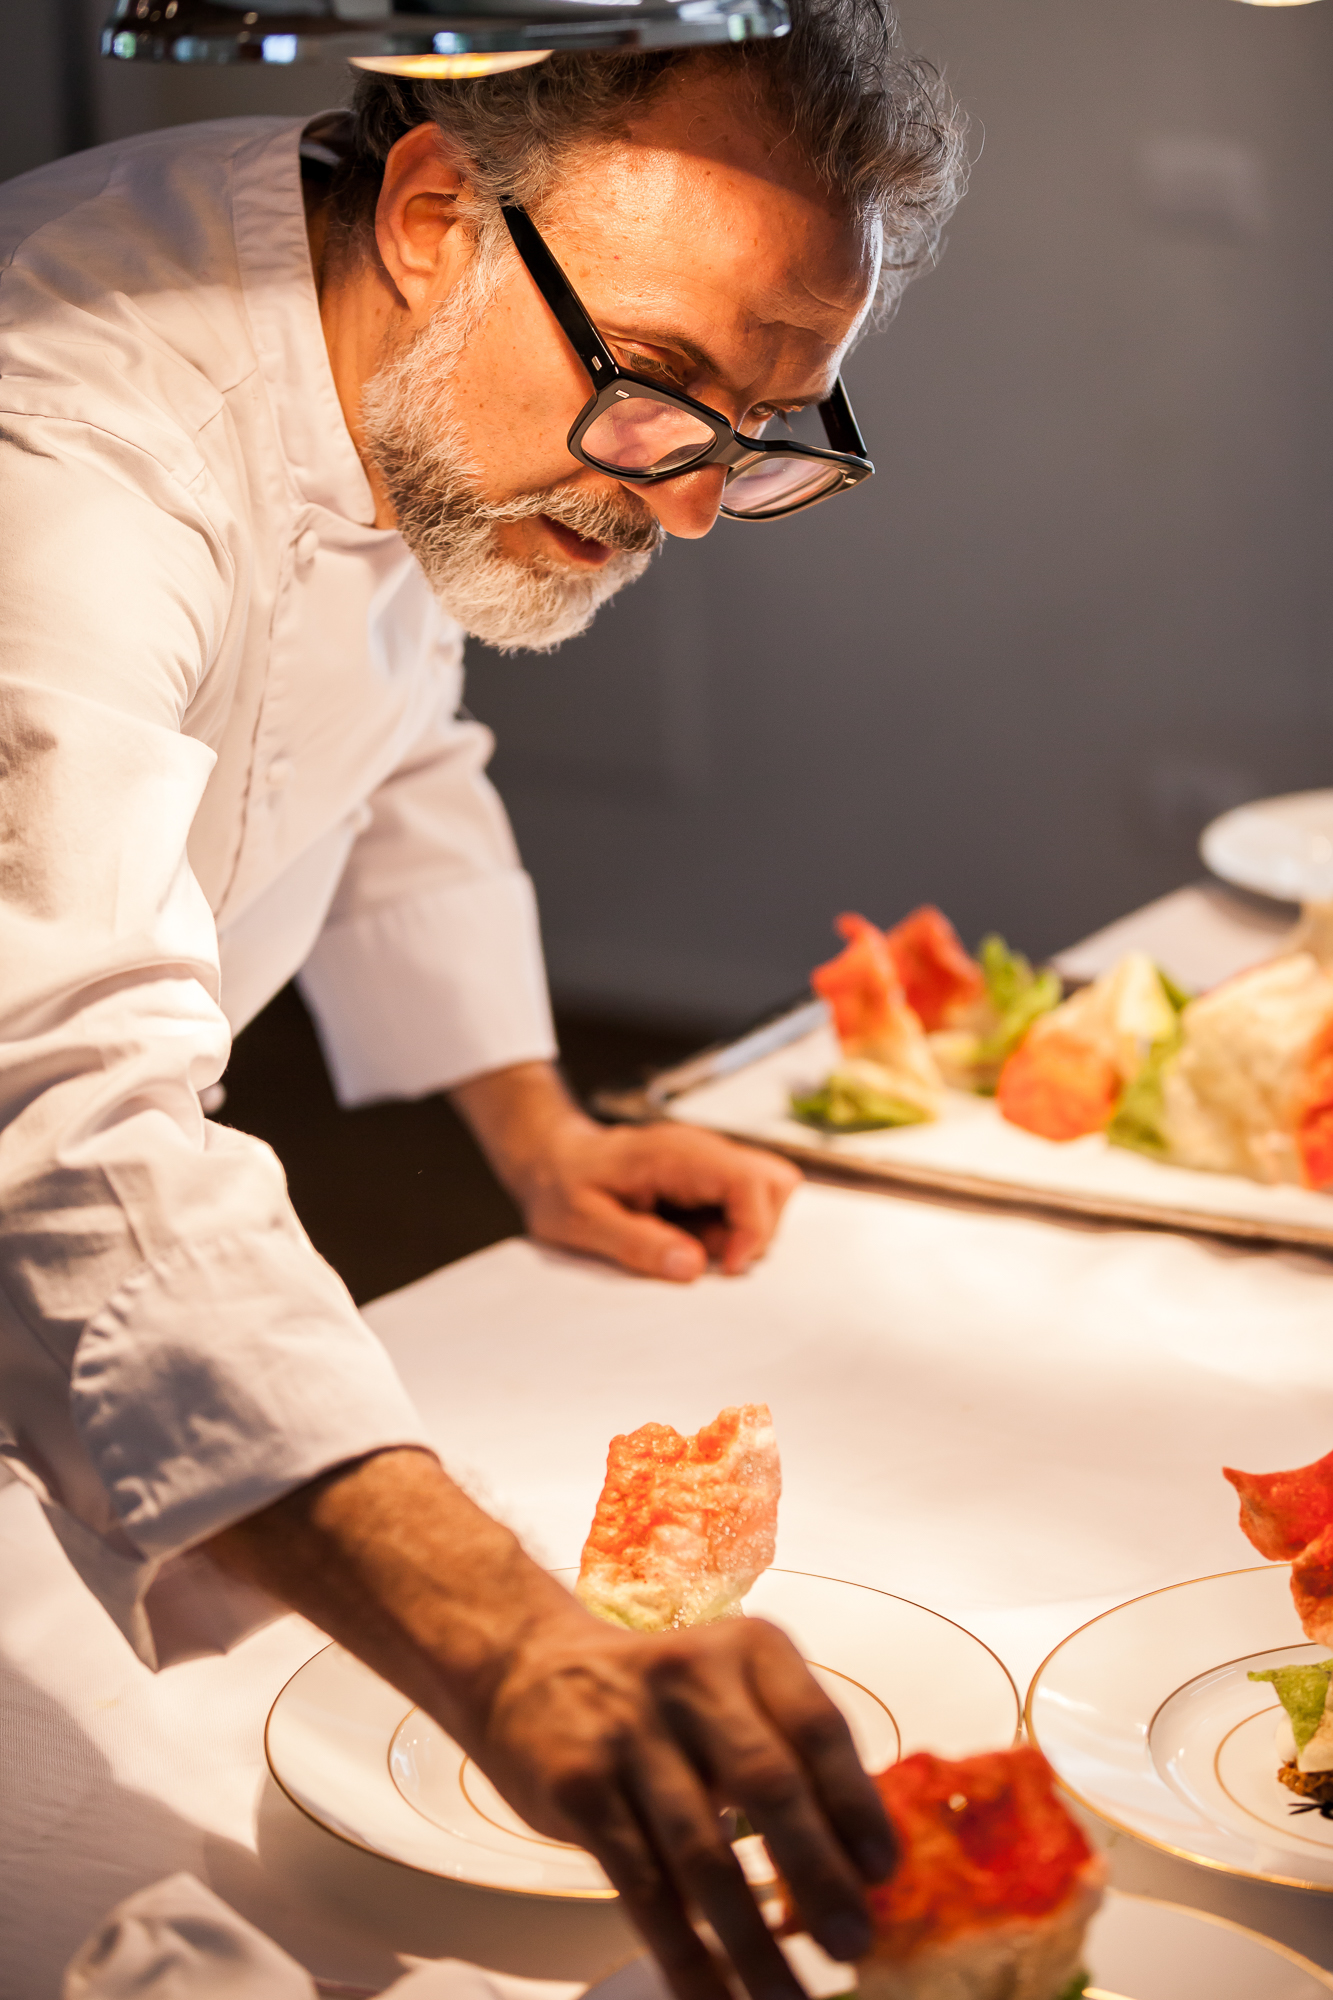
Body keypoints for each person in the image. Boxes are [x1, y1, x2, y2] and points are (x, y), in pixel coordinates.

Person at [0, 7, 964, 1997]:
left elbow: (380, 739)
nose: (683, 504)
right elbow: (54, 1112)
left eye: (760, 431)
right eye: (660, 384)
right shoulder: (63, 440)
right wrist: (514, 1642)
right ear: (436, 211)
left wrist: (536, 1126)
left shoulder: (388, 334)